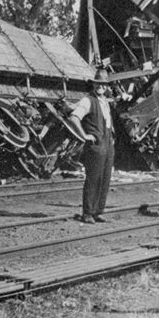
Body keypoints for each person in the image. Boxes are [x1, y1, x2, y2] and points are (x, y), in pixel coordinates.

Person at [69, 70, 115, 224]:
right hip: (95, 145)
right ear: (94, 84)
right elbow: (74, 118)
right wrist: (84, 136)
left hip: (107, 144)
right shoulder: (87, 100)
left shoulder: (105, 101)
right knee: (93, 179)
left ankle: (98, 211)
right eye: (98, 84)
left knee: (105, 178)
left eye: (103, 84)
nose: (101, 87)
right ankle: (88, 213)